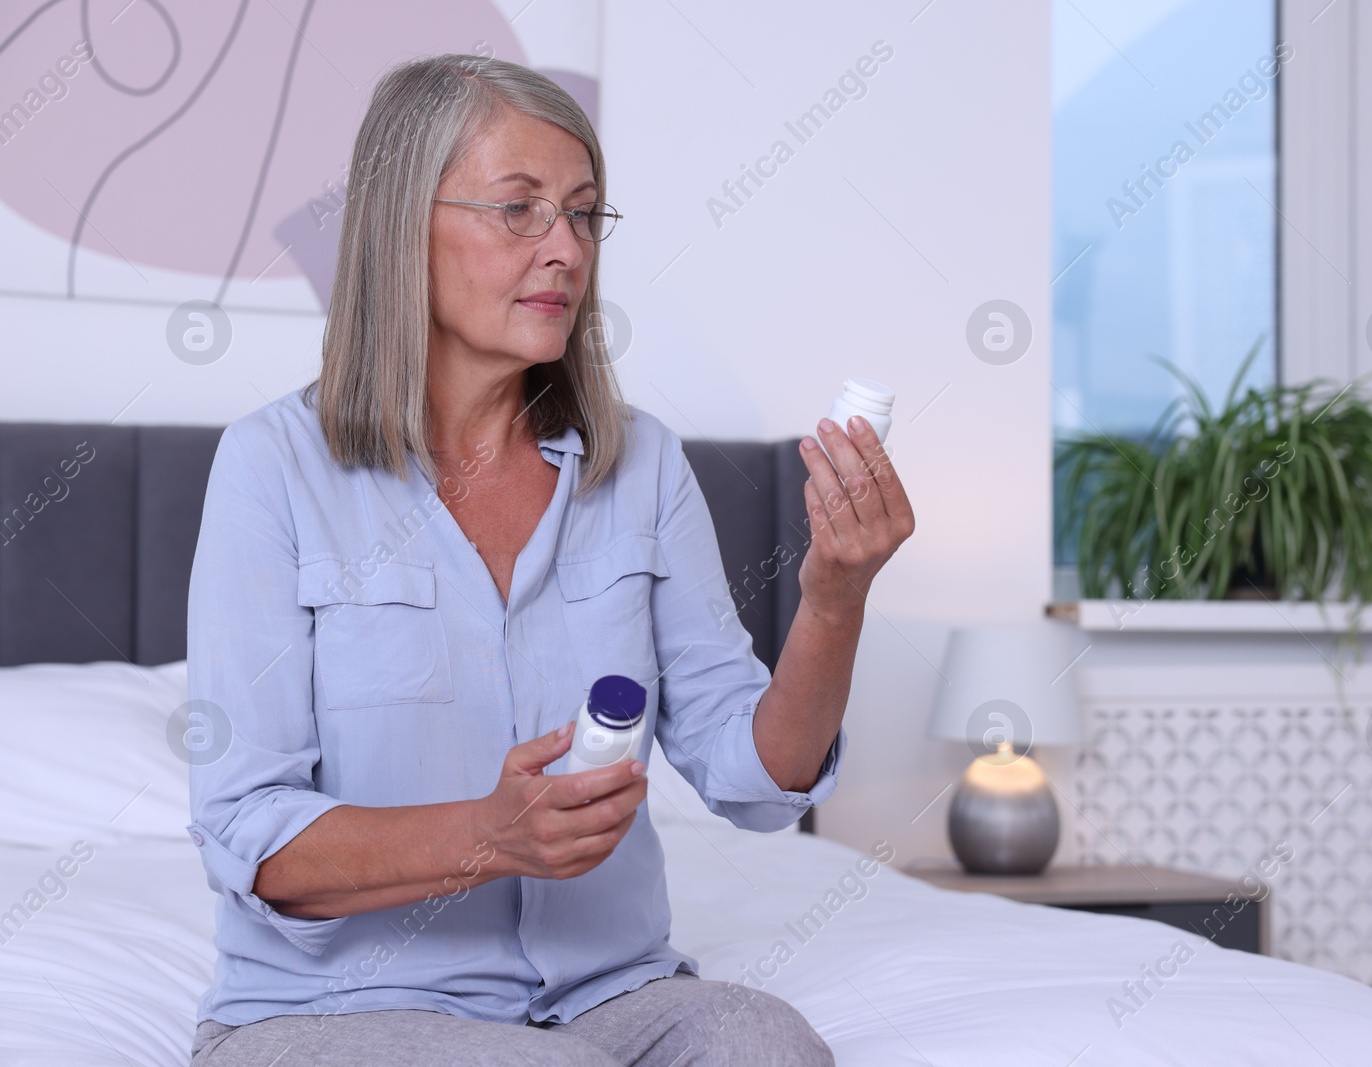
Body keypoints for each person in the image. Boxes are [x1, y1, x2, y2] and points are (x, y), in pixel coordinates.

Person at [183, 53, 914, 1066]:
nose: (564, 248)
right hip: (333, 1011)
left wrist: (834, 598)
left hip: (604, 991)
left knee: (767, 1042)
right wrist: (487, 831)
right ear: (403, 227)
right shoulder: (272, 468)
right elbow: (250, 835)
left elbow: (755, 779)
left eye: (582, 213)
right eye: (519, 209)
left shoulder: (642, 464)